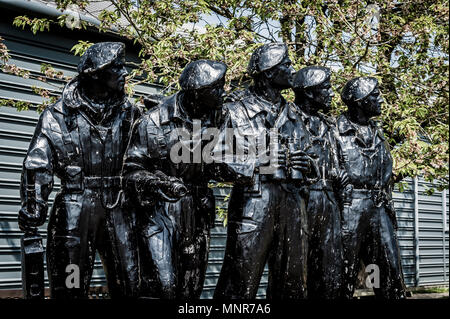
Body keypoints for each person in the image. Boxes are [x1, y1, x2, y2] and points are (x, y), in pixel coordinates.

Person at [18, 42, 142, 298]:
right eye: (117, 67)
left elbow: (147, 159)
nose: (124, 73)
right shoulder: (57, 116)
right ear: (95, 73)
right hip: (74, 210)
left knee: (130, 283)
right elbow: (37, 164)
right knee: (70, 283)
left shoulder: (132, 114)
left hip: (120, 207)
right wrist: (34, 204)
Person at [213, 43, 312, 299]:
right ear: (269, 72)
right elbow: (212, 160)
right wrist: (256, 162)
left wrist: (308, 165)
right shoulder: (234, 110)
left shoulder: (293, 114)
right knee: (240, 280)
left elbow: (311, 157)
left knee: (292, 283)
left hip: (292, 204)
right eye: (286, 65)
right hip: (253, 203)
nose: (292, 69)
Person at [122, 59, 227, 299]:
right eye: (217, 88)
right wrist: (155, 183)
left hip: (197, 210)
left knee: (191, 288)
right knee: (163, 286)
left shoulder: (219, 118)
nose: (223, 92)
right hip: (160, 211)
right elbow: (131, 170)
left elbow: (227, 159)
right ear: (198, 93)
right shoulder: (153, 122)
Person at [336, 76, 406, 299]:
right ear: (360, 101)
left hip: (379, 207)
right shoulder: (334, 131)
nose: (381, 100)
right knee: (343, 274)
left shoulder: (378, 133)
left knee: (387, 272)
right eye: (375, 96)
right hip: (349, 209)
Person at [292, 66, 347, 299]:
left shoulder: (329, 125)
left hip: (328, 199)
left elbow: (338, 161)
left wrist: (340, 175)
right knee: (296, 270)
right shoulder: (288, 117)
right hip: (299, 199)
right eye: (326, 88)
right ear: (310, 92)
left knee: (330, 267)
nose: (332, 93)